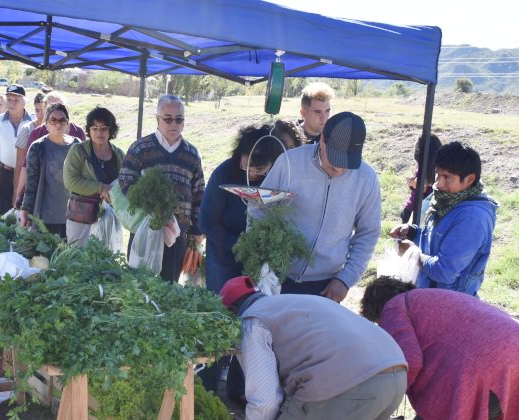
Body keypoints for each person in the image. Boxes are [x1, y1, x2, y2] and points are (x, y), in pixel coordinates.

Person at [219, 276, 407, 420]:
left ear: (232, 313)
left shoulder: (251, 322)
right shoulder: (292, 303)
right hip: (396, 375)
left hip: (351, 385)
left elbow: (265, 403)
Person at [249, 112, 380, 301]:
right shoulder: (290, 163)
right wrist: (261, 260)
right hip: (277, 274)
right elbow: (259, 207)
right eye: (336, 159)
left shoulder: (366, 179)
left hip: (326, 285)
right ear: (323, 140)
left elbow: (368, 233)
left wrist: (345, 279)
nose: (340, 169)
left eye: (348, 162)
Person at [361, 278, 518, 420]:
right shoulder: (431, 297)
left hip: (485, 366)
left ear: (375, 311)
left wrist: (382, 402)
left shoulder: (393, 307)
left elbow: (410, 362)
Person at [201, 120, 302, 293]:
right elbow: (206, 222)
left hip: (260, 263)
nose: (251, 172)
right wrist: (241, 246)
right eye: (245, 165)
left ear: (273, 164)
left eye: (259, 168)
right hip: (222, 259)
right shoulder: (224, 173)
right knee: (222, 307)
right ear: (239, 155)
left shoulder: (278, 180)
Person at [389, 141, 498, 296]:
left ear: (469, 179)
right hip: (429, 295)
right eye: (438, 175)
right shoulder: (446, 198)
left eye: (447, 177)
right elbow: (437, 242)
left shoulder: (473, 218)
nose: (439, 183)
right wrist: (413, 233)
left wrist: (413, 253)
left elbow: (444, 272)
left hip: (449, 304)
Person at [119, 95, 205, 283]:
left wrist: (197, 229)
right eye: (168, 118)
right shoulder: (140, 148)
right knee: (139, 285)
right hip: (146, 229)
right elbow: (125, 181)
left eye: (179, 119)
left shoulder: (192, 154)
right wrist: (151, 204)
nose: (173, 123)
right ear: (157, 119)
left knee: (169, 287)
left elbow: (199, 194)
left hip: (179, 236)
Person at [63, 107, 125, 246]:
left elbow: (126, 183)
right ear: (89, 130)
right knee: (77, 258)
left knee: (105, 259)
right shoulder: (78, 150)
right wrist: (101, 188)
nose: (99, 132)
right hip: (81, 216)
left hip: (109, 216)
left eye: (104, 128)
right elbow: (70, 181)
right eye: (95, 127)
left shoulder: (119, 155)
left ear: (111, 130)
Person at [14, 91, 85, 206]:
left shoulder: (78, 133)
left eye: (60, 107)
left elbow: (84, 168)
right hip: (44, 192)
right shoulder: (37, 134)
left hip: (70, 194)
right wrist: (19, 194)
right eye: (50, 108)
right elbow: (27, 166)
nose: (56, 112)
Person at [18, 103, 79, 237]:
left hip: (73, 215)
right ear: (46, 124)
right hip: (45, 216)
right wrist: (25, 209)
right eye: (53, 120)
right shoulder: (37, 147)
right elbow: (31, 183)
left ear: (68, 123)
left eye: (62, 120)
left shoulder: (77, 146)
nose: (58, 124)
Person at [0, 84, 33, 214]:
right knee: (5, 210)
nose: (12, 103)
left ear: (25, 101)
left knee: (24, 210)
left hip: (27, 174)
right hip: (5, 173)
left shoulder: (34, 121)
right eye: (9, 99)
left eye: (16, 100)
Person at [399, 134, 443, 223]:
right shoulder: (435, 168)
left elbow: (424, 189)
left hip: (420, 210)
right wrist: (413, 183)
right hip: (415, 208)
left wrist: (417, 185)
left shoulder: (438, 171)